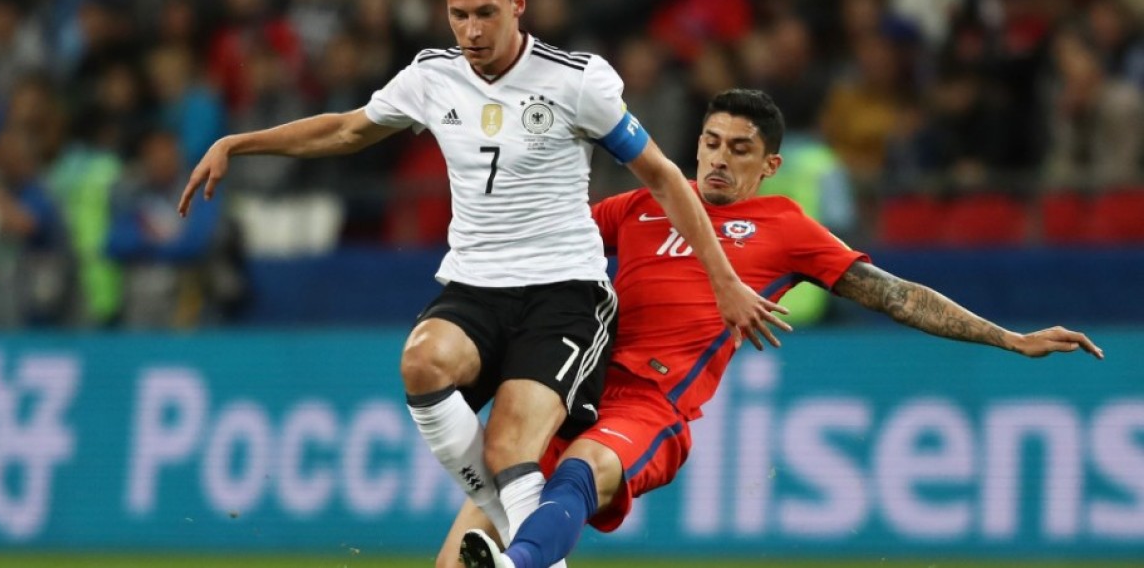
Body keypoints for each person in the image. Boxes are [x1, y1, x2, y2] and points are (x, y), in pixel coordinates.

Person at [177, 0, 788, 552]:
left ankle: (519, 551)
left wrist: (723, 279)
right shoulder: (432, 77)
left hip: (563, 293)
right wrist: (238, 143)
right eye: (459, 15)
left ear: (517, 4)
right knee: (422, 362)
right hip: (476, 285)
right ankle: (527, 552)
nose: (471, 30)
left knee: (509, 448)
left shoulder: (577, 81)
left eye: (485, 13)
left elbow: (662, 177)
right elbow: (344, 130)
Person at [454, 88, 1104, 568]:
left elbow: (895, 295)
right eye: (711, 142)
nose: (719, 159)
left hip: (651, 404)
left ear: (769, 165)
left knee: (583, 469)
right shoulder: (644, 204)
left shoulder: (785, 226)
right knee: (458, 549)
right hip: (570, 386)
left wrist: (1008, 338)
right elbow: (539, 244)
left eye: (740, 150)